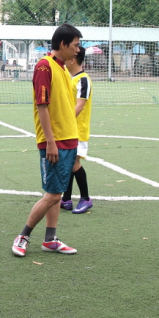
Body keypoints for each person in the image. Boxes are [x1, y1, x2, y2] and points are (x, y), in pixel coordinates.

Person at [12, 23, 82, 257]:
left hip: (69, 139)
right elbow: (42, 106)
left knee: (58, 193)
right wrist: (50, 141)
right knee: (52, 194)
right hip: (55, 141)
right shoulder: (45, 66)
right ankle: (23, 236)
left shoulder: (63, 68)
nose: (77, 50)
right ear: (62, 44)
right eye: (75, 45)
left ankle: (50, 239)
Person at [61, 45, 93, 214]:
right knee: (68, 164)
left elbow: (80, 105)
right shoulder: (68, 77)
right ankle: (66, 199)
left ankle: (86, 198)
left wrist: (65, 122)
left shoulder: (83, 79)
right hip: (68, 128)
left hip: (77, 129)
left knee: (74, 163)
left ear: (73, 59)